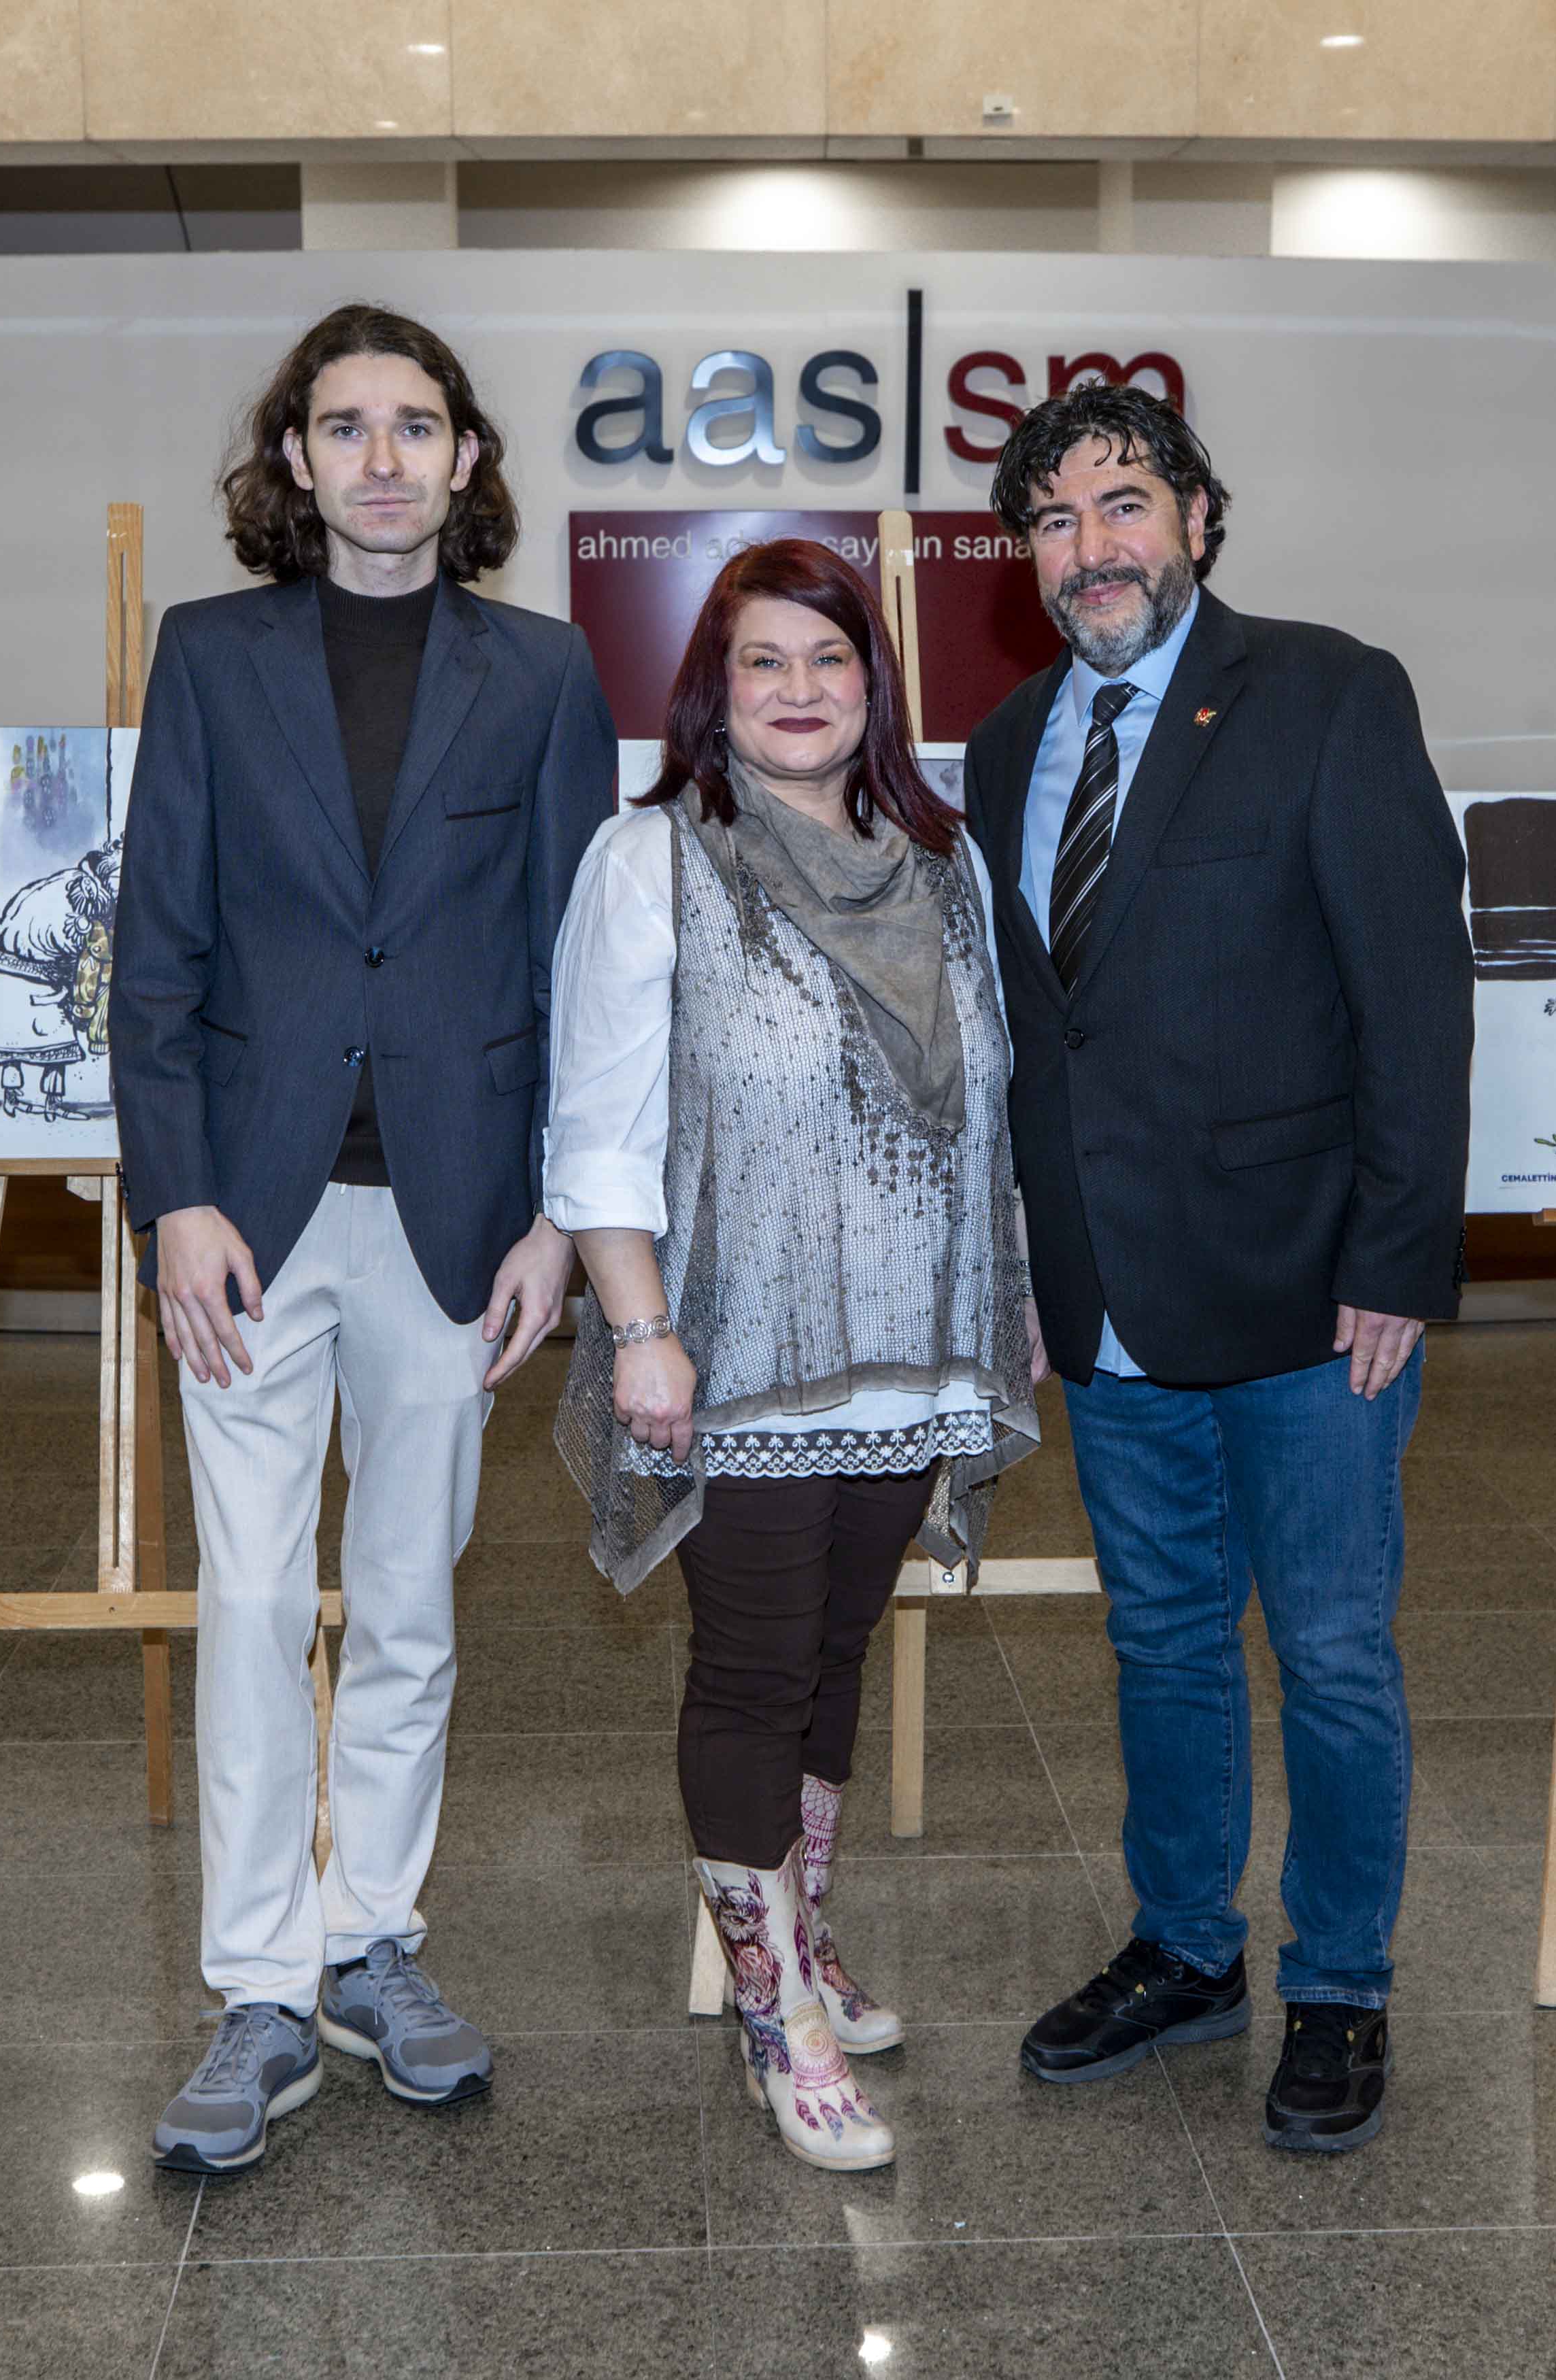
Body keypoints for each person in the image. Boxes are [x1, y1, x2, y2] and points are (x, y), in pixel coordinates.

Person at [111, 303, 615, 2173]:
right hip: (246, 1214)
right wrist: (175, 1199)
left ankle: (370, 1940)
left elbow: (584, 971)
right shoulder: (210, 655)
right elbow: (156, 948)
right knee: (252, 1603)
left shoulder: (544, 672)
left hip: (457, 1218)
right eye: (345, 425)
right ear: (296, 460)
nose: (383, 456)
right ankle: (260, 1984)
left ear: (465, 459)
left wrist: (560, 1219)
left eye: (416, 424)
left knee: (408, 1597)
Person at [965, 381, 1474, 2154]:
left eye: (1122, 504)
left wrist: (1397, 1256)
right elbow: (1037, 1037)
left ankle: (1339, 1979)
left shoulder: (1328, 692)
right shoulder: (1007, 745)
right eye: (1052, 520)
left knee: (1328, 1648)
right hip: (1106, 1299)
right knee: (1161, 1639)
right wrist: (1028, 1257)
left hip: (1309, 1299)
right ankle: (1187, 1945)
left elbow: (1413, 998)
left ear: (1196, 519)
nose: (1088, 546)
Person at [548, 538, 1042, 2172]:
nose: (800, 689)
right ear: (716, 687)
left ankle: (804, 1941)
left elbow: (994, 1105)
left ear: (872, 684)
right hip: (739, 1352)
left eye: (830, 659)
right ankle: (780, 2017)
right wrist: (641, 1332)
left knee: (835, 1655)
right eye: (763, 660)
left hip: (913, 1348)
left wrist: (1008, 1294)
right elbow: (598, 1126)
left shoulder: (943, 861)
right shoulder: (654, 861)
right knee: (755, 1669)